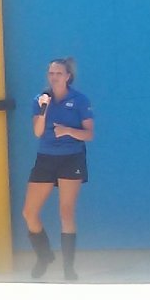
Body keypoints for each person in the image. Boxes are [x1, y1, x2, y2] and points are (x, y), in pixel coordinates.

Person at [22, 57, 93, 281]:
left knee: (66, 211)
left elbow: (89, 134)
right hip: (46, 157)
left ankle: (68, 268)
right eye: (51, 73)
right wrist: (44, 109)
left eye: (59, 73)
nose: (54, 77)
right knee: (29, 212)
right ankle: (44, 256)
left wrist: (68, 131)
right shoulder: (40, 100)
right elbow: (37, 132)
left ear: (68, 76)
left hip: (71, 158)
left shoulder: (80, 100)